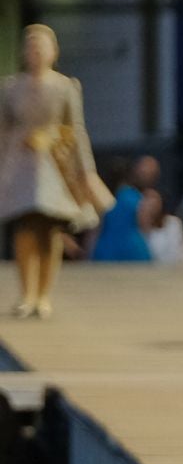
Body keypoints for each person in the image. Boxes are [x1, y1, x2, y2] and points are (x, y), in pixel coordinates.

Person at [0, 24, 109, 318]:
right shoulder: (11, 87)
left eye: (41, 46)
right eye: (31, 46)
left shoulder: (64, 87)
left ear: (53, 51)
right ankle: (27, 293)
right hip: (20, 164)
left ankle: (44, 295)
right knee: (24, 228)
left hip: (53, 165)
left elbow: (75, 130)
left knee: (49, 230)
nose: (35, 51)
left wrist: (86, 170)